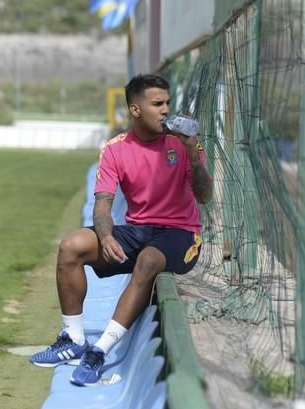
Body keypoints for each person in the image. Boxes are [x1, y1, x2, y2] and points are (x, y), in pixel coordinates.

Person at [30, 74, 213, 386]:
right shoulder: (115, 149)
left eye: (167, 103)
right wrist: (106, 236)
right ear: (135, 109)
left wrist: (194, 153)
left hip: (182, 234)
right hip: (139, 231)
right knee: (71, 246)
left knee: (150, 260)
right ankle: (73, 339)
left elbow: (205, 195)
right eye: (157, 104)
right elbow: (102, 205)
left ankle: (99, 351)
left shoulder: (183, 143)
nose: (166, 110)